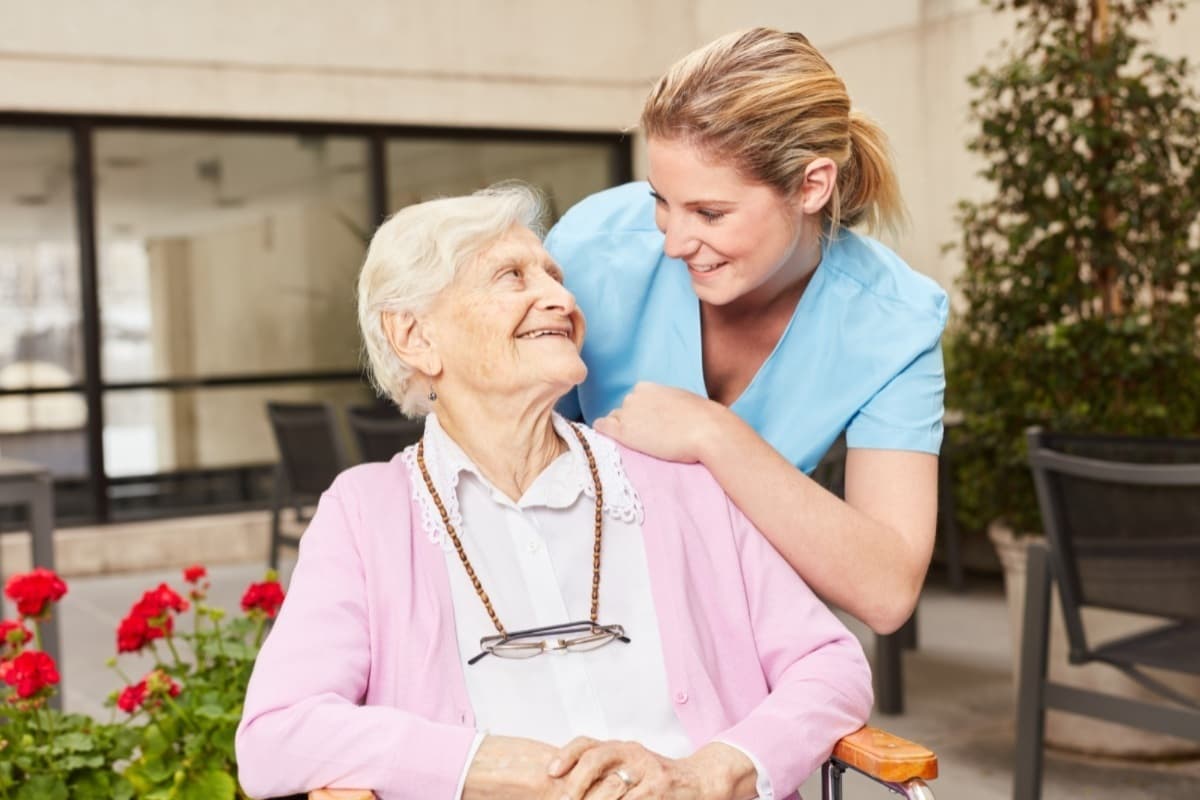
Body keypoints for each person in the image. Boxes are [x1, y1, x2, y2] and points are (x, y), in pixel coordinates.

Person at [235, 186, 871, 800]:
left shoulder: (676, 480)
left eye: (553, 274)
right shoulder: (367, 513)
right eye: (512, 276)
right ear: (416, 337)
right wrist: (489, 765)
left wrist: (712, 774)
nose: (560, 297)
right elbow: (274, 735)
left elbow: (830, 666)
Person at [544, 27, 949, 634]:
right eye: (661, 200)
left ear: (812, 185)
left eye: (710, 213)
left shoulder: (896, 322)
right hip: (567, 608)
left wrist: (714, 434)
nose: (675, 243)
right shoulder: (592, 249)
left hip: (736, 625)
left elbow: (887, 589)